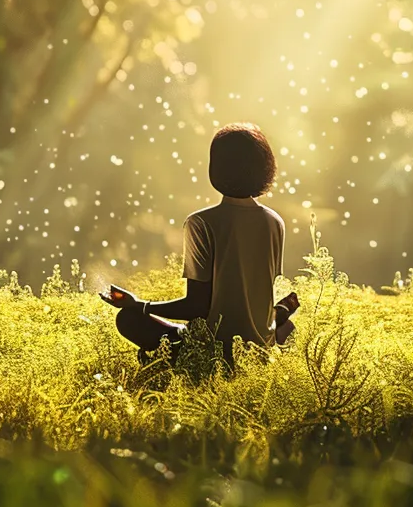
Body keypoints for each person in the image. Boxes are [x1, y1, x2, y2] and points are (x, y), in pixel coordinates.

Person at [101, 122, 299, 365]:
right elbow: (252, 300)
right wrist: (281, 312)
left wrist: (139, 305)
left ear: (216, 168)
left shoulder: (201, 223)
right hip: (258, 351)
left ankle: (173, 361)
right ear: (264, 167)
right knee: (285, 325)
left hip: (211, 351)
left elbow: (196, 307)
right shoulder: (274, 222)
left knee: (128, 319)